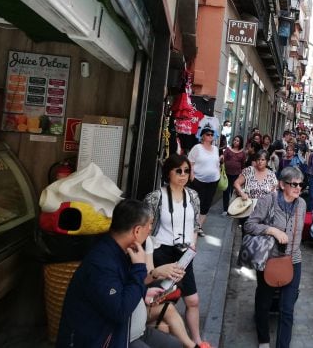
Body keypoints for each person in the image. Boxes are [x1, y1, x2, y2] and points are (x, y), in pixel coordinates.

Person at [56, 199, 179, 348]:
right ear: (137, 230)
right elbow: (120, 311)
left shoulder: (121, 249)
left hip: (125, 331)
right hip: (101, 339)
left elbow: (123, 287)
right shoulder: (101, 263)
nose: (150, 229)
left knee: (173, 344)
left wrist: (145, 291)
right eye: (150, 225)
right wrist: (140, 267)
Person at [143, 155, 210, 348]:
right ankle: (160, 338)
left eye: (186, 171)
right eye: (178, 171)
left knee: (193, 299)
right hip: (160, 252)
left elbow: (196, 225)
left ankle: (197, 341)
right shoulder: (156, 197)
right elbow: (145, 227)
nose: (183, 175)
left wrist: (192, 246)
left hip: (184, 253)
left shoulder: (193, 196)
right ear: (168, 173)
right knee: (161, 299)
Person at [244, 166, 306, 348]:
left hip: (293, 260)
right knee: (264, 303)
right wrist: (271, 230)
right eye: (293, 184)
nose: (298, 188)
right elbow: (249, 225)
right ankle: (263, 340)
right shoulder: (268, 200)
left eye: (300, 184)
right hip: (269, 259)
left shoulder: (301, 204)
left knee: (287, 309)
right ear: (281, 184)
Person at [187, 127, 220, 236]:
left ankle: (199, 227)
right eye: (208, 134)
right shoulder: (197, 148)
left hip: (213, 181)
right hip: (198, 180)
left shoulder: (215, 149)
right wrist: (192, 177)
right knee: (195, 203)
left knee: (206, 204)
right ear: (203, 136)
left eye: (212, 134)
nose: (210, 136)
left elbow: (217, 163)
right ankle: (190, 225)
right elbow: (190, 163)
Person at [222, 135, 246, 215]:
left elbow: (243, 165)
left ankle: (232, 209)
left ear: (240, 143)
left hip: (237, 175)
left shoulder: (242, 153)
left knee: (234, 192)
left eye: (238, 141)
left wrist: (241, 175)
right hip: (227, 174)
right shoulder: (228, 150)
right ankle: (225, 209)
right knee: (226, 191)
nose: (235, 142)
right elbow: (223, 158)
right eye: (235, 140)